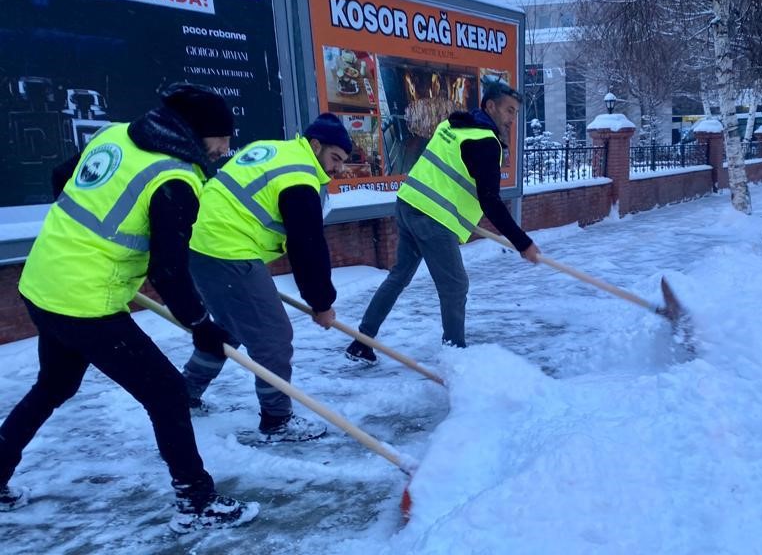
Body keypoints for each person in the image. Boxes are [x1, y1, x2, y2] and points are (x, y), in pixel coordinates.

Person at [0, 83, 258, 533]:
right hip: (86, 305)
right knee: (167, 392)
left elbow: (62, 179)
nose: (226, 148)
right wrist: (201, 325)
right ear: (199, 134)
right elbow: (169, 271)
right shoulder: (173, 179)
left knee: (54, 386)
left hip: (43, 284)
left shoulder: (114, 136)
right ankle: (197, 502)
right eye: (223, 137)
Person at [181, 113, 351, 443]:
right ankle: (277, 420)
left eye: (342, 162)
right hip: (226, 248)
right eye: (334, 158)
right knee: (273, 337)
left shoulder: (274, 150)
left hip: (199, 241)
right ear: (315, 145)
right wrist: (321, 304)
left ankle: (185, 392)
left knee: (232, 326)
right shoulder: (299, 177)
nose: (338, 169)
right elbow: (308, 248)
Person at [345, 81, 541, 363]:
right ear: (490, 106)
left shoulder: (452, 127)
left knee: (399, 277)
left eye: (515, 113)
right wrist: (523, 243)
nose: (512, 119)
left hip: (408, 204)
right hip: (433, 219)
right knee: (455, 286)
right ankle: (455, 358)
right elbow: (491, 201)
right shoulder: (485, 143)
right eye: (509, 111)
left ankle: (362, 341)